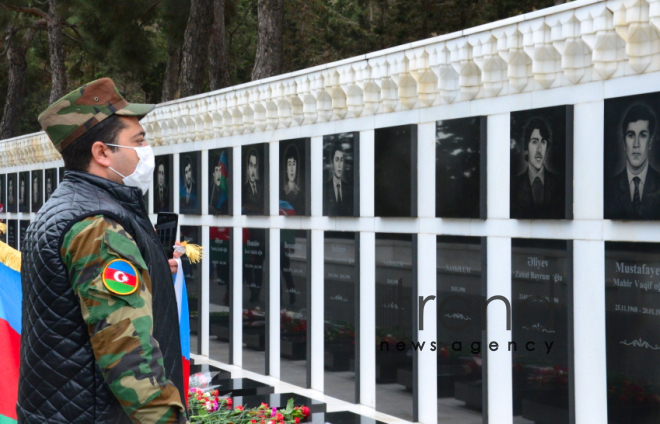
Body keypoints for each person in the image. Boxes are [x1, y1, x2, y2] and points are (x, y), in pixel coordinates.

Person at [18, 78, 189, 424]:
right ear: (101, 152)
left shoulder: (67, 207)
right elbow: (128, 352)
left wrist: (151, 272)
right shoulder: (97, 226)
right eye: (138, 141)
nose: (146, 150)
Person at [606, 104, 660, 219]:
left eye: (643, 135)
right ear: (624, 142)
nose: (636, 144)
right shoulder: (609, 188)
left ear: (650, 142)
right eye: (631, 135)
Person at [510, 117, 564, 219]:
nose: (539, 149)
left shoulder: (560, 184)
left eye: (543, 142)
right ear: (526, 148)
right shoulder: (514, 186)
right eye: (534, 142)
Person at [324, 142, 353, 216]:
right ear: (332, 162)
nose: (340, 165)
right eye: (337, 160)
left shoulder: (348, 188)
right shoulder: (325, 188)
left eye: (341, 160)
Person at [280, 144, 303, 214]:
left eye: (294, 164)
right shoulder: (281, 194)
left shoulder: (301, 195)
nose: (292, 169)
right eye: (289, 164)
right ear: (286, 168)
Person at [242, 148, 263, 215]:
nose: (253, 170)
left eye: (255, 166)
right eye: (251, 166)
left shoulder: (261, 187)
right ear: (248, 168)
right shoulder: (244, 189)